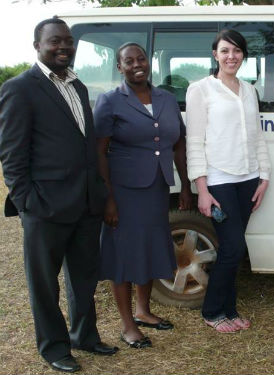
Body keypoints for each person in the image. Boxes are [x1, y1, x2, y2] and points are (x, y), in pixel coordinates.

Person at [0, 18, 118, 373]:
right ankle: (54, 348)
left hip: (84, 204)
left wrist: (96, 191)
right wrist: (26, 202)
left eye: (68, 41)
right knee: (44, 284)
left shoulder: (77, 85)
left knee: (84, 277)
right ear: (38, 45)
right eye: (55, 41)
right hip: (44, 207)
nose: (64, 47)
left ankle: (84, 335)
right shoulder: (20, 88)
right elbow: (12, 153)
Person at [93, 43, 192, 348]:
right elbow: (98, 151)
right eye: (129, 61)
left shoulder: (165, 97)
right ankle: (126, 326)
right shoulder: (110, 101)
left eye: (141, 59)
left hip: (157, 188)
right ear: (119, 68)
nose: (137, 64)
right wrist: (107, 197)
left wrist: (185, 184)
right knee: (124, 255)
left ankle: (143, 312)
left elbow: (178, 143)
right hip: (123, 191)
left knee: (148, 249)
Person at [186, 29, 271, 333]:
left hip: (248, 180)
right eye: (225, 51)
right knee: (233, 247)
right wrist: (202, 189)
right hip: (219, 181)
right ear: (215, 55)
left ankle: (230, 308)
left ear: (243, 56)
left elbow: (257, 136)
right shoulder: (201, 90)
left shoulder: (249, 90)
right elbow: (194, 140)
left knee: (232, 249)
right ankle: (212, 311)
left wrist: (264, 177)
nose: (231, 56)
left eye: (236, 51)